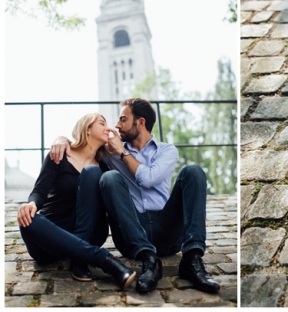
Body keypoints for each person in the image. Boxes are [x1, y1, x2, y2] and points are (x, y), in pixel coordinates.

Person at [52, 98, 220, 294]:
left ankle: (192, 259)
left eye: (123, 119)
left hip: (166, 231)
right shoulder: (109, 152)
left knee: (193, 171)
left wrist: (122, 152)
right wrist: (62, 139)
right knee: (110, 177)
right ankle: (149, 261)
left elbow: (148, 179)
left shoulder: (166, 151)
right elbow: (84, 142)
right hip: (131, 236)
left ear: (140, 122)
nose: (116, 125)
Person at [18, 113, 136, 289]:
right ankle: (100, 259)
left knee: (92, 173)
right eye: (102, 123)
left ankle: (80, 253)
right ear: (87, 128)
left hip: (90, 233)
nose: (108, 129)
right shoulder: (59, 154)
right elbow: (40, 191)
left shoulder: (104, 168)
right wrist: (32, 203)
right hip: (50, 233)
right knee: (28, 220)